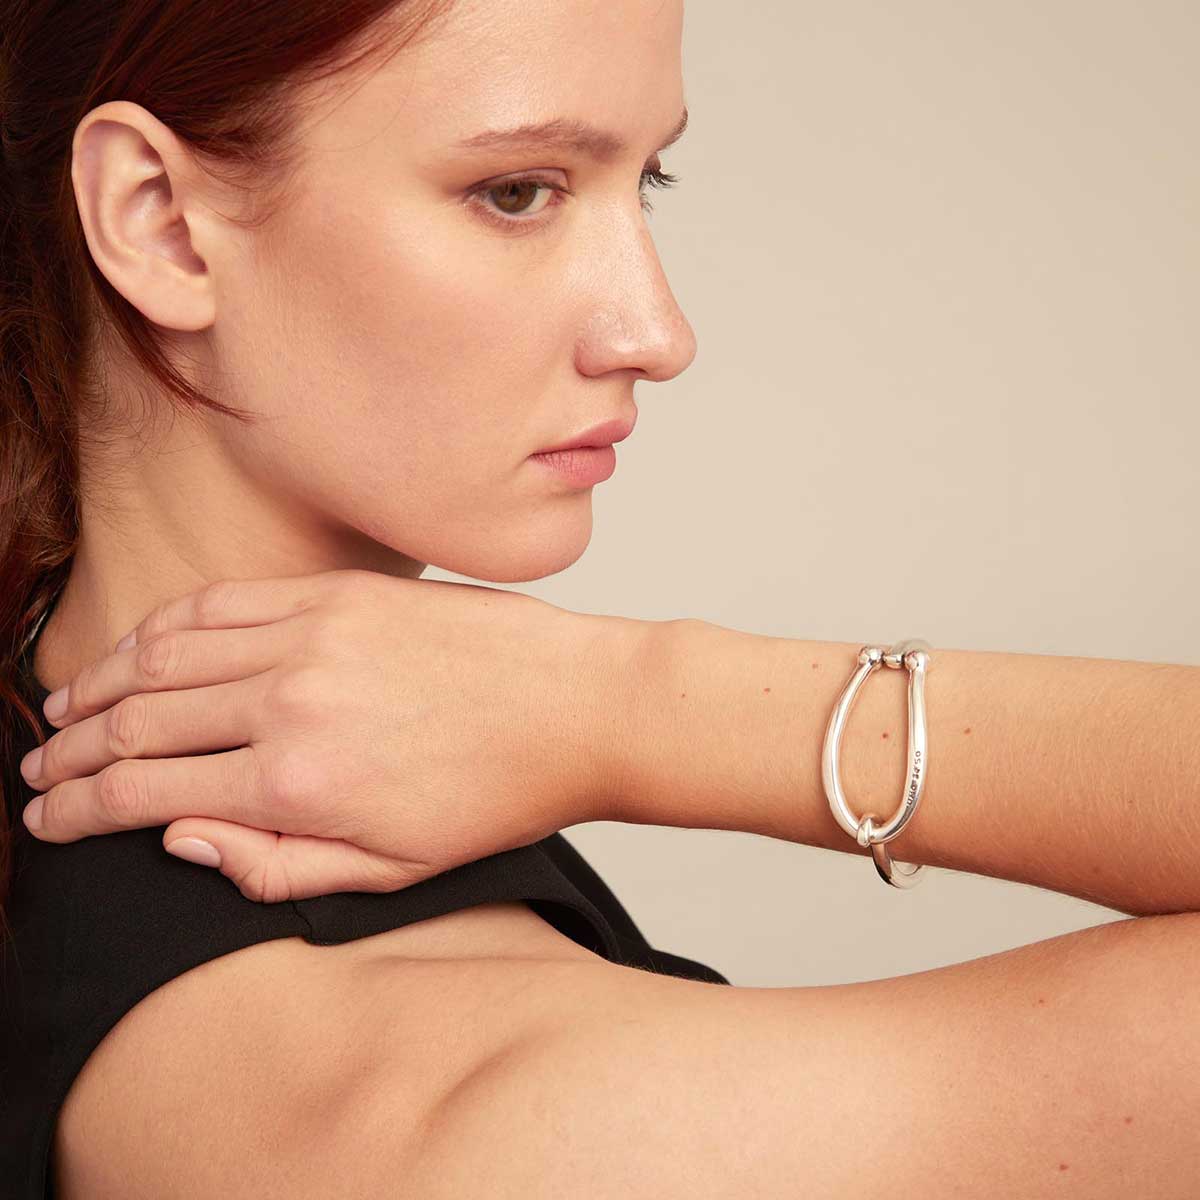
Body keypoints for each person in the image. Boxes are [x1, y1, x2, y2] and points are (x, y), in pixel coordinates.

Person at [2, 0, 1198, 1197]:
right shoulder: (444, 1108)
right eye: (517, 191)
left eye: (650, 178)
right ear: (160, 221)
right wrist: (639, 706)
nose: (658, 334)